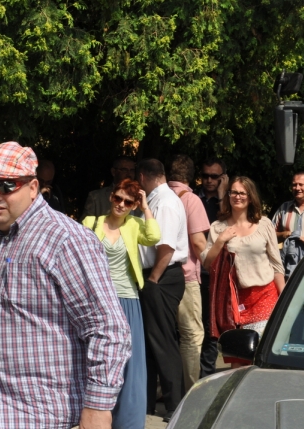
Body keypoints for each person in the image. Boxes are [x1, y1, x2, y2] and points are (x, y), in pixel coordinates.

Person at [0, 142, 131, 429]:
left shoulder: (66, 241)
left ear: (33, 187)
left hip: (45, 418)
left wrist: (97, 407)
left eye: (6, 185)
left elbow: (107, 329)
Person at [83, 179, 160, 429]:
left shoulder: (134, 224)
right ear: (111, 197)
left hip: (127, 298)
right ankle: (95, 414)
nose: (121, 204)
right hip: (97, 299)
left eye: (128, 202)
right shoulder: (90, 223)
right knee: (96, 357)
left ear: (133, 205)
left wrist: (145, 208)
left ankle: (128, 421)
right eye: (118, 198)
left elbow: (154, 236)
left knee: (130, 360)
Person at [201, 176, 285, 366]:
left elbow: (276, 265)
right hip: (234, 301)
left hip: (265, 296)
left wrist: (284, 298)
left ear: (250, 196)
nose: (237, 196)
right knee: (238, 359)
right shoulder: (218, 227)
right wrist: (221, 240)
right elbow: (207, 264)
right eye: (233, 192)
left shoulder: (264, 224)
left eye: (242, 193)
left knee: (262, 354)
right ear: (228, 195)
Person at [136, 158, 188, 420]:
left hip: (162, 275)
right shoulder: (156, 199)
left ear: (143, 177)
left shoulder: (165, 202)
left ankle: (174, 404)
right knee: (151, 342)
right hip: (156, 275)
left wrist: (153, 280)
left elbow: (166, 247)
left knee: (163, 341)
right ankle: (146, 402)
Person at [167, 155, 209, 392]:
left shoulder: (157, 196)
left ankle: (167, 390)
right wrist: (213, 264)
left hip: (158, 276)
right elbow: (198, 243)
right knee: (192, 335)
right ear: (191, 176)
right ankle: (190, 390)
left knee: (167, 336)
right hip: (185, 276)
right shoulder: (190, 199)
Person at [196, 157, 227, 378]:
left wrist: (223, 195)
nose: (209, 180)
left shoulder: (227, 200)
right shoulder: (192, 198)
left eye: (214, 177)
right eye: (205, 175)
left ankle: (206, 375)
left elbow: (229, 222)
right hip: (194, 270)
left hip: (217, 271)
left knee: (211, 328)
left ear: (222, 178)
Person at [270, 172, 304, 278]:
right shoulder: (284, 208)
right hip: (286, 267)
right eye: (294, 185)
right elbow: (269, 234)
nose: (297, 188)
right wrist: (284, 234)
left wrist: (303, 240)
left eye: (301, 184)